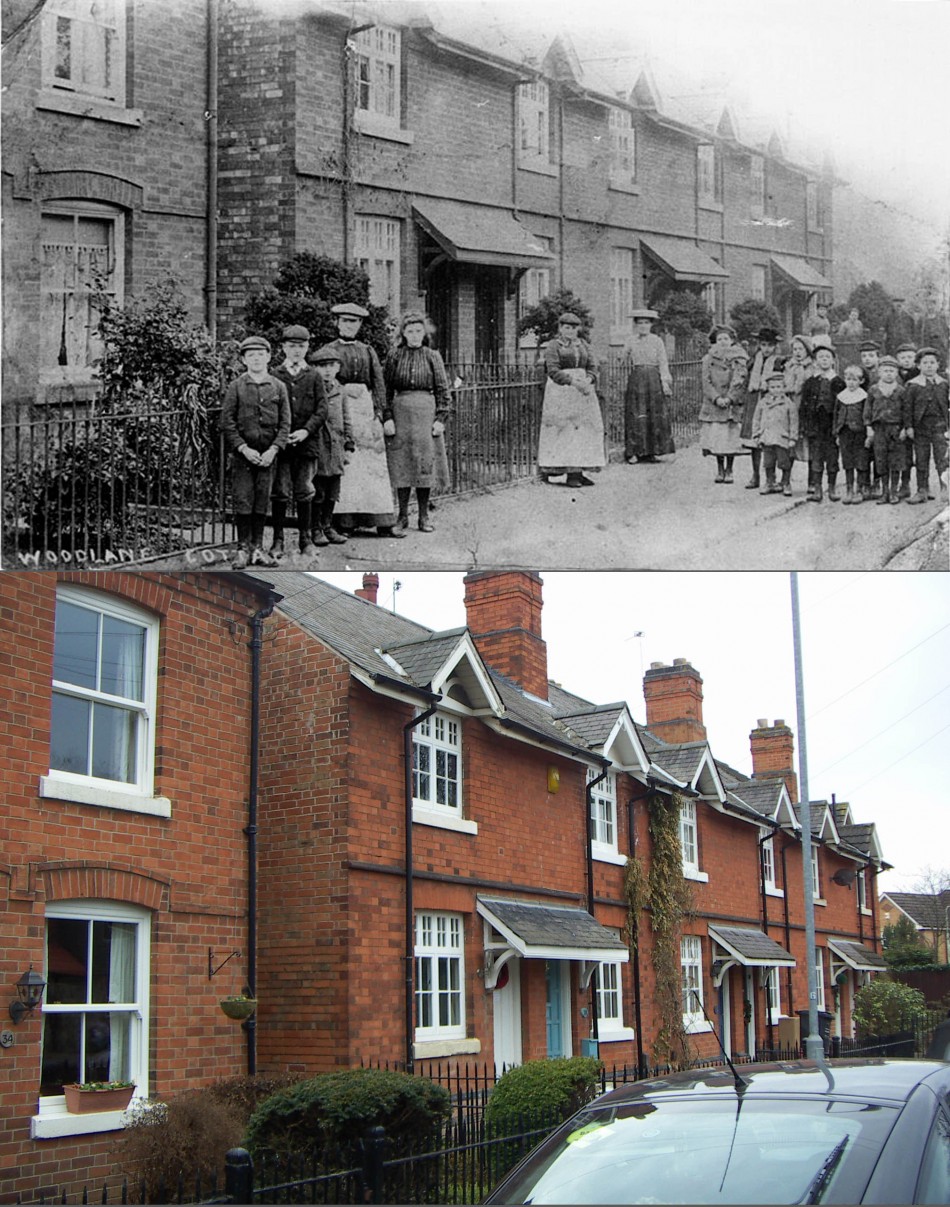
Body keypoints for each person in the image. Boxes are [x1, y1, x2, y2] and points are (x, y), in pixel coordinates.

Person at [323, 302, 404, 538]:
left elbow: (378, 383)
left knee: (373, 465)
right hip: (340, 408)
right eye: (345, 321)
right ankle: (344, 522)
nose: (350, 326)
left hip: (366, 411)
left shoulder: (367, 350)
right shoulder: (329, 350)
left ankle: (383, 521)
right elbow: (322, 382)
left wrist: (382, 414)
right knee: (347, 465)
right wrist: (344, 390)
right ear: (337, 323)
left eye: (354, 322)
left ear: (360, 325)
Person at [221, 335, 290, 568]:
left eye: (261, 354)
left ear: (269, 357)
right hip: (244, 456)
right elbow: (227, 422)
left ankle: (258, 548)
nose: (257, 359)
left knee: (262, 499)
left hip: (268, 455)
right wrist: (242, 447)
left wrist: (274, 449)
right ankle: (242, 549)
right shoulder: (237, 386)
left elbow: (285, 424)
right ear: (243, 360)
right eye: (251, 355)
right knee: (243, 499)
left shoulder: (278, 387)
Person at [383, 311, 452, 533]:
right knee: (402, 464)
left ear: (424, 334)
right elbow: (385, 390)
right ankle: (402, 516)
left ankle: (423, 517)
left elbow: (443, 390)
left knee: (425, 464)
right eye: (410, 331)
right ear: (403, 333)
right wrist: (387, 418)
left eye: (418, 331)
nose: (414, 335)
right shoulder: (394, 356)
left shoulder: (433, 356)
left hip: (426, 413)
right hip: (401, 412)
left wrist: (441, 418)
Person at [269, 324, 327, 558]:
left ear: (307, 347)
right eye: (291, 346)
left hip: (306, 443)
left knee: (305, 490)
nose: (296, 351)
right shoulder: (275, 374)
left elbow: (322, 409)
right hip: (281, 445)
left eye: (301, 346)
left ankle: (306, 539)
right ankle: (278, 540)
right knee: (281, 491)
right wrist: (282, 435)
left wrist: (306, 431)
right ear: (283, 347)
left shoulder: (313, 375)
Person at [538, 312, 605, 488]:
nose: (570, 331)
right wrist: (574, 382)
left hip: (583, 391)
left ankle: (579, 472)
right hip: (561, 391)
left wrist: (589, 380)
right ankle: (569, 473)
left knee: (583, 430)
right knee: (565, 430)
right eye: (566, 327)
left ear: (578, 329)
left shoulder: (583, 345)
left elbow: (593, 366)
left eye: (574, 328)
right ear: (560, 328)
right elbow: (552, 370)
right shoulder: (553, 346)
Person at [309, 344, 355, 545]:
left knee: (332, 491)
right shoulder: (312, 389)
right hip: (317, 445)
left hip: (335, 446)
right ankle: (315, 528)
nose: (327, 370)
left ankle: (328, 526)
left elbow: (346, 419)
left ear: (338, 367)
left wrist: (349, 445)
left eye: (332, 365)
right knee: (317, 491)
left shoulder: (341, 390)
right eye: (322, 366)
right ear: (315, 368)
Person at [621, 308, 674, 464]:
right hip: (637, 378)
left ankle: (651, 451)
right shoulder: (630, 340)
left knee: (653, 415)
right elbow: (623, 361)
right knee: (636, 413)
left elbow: (663, 362)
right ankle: (633, 452)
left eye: (646, 323)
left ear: (651, 325)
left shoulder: (657, 341)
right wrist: (625, 353)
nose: (643, 326)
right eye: (640, 323)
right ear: (635, 325)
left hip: (653, 378)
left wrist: (665, 382)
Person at [699, 325, 748, 484]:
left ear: (732, 340)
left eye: (726, 339)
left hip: (731, 405)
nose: (723, 342)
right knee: (718, 438)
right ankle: (720, 469)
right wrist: (716, 398)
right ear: (715, 341)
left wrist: (730, 398)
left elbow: (740, 380)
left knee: (730, 438)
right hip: (715, 404)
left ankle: (730, 469)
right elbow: (705, 382)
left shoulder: (739, 357)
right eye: (719, 339)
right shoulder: (708, 359)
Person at [903, 347, 949, 504]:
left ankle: (945, 488)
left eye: (932, 362)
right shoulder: (913, 385)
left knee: (942, 459)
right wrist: (909, 426)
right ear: (918, 366)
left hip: (939, 426)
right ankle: (922, 490)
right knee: (921, 459)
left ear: (938, 365)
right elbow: (907, 408)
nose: (929, 366)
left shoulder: (944, 384)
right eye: (925, 363)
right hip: (920, 427)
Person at [800, 342, 844, 502]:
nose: (824, 360)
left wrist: (840, 427)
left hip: (832, 426)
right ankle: (817, 488)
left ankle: (832, 488)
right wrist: (804, 425)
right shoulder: (810, 382)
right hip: (815, 425)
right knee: (816, 457)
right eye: (820, 357)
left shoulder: (839, 382)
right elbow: (803, 406)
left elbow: (843, 406)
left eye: (827, 357)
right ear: (815, 361)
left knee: (832, 457)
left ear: (833, 361)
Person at [740, 326, 782, 489]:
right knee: (754, 440)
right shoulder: (753, 361)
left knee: (770, 441)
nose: (766, 349)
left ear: (775, 346)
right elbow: (744, 380)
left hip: (770, 401)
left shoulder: (778, 362)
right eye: (763, 345)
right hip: (753, 401)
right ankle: (755, 475)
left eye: (770, 345)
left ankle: (770, 477)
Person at [863, 355, 907, 505]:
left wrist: (904, 429)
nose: (888, 373)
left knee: (895, 461)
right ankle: (884, 492)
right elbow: (867, 411)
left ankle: (894, 492)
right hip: (879, 429)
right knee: (881, 460)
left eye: (892, 370)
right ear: (879, 373)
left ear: (896, 373)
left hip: (895, 429)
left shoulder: (901, 390)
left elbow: (906, 412)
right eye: (885, 370)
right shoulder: (873, 390)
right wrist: (869, 428)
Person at [751, 371, 798, 496]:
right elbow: (756, 419)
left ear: (783, 387)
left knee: (784, 462)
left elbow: (794, 422)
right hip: (767, 437)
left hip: (782, 438)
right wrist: (756, 434)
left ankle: (786, 482)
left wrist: (793, 437)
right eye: (772, 387)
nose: (776, 390)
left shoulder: (788, 404)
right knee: (768, 462)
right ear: (768, 388)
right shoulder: (762, 403)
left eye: (779, 387)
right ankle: (770, 482)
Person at [833, 365, 870, 504]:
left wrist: (868, 434)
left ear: (861, 381)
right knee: (847, 461)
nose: (851, 383)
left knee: (860, 461)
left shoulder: (864, 396)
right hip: (844, 432)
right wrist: (836, 433)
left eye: (855, 380)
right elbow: (836, 416)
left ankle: (859, 489)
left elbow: (867, 416)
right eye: (848, 379)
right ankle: (849, 489)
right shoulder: (841, 396)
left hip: (860, 433)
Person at [783, 334, 813, 472]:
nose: (798, 352)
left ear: (807, 350)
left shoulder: (812, 366)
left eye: (801, 349)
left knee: (809, 444)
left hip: (806, 408)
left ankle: (812, 481)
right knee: (789, 443)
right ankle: (786, 479)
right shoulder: (788, 366)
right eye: (795, 349)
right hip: (790, 406)